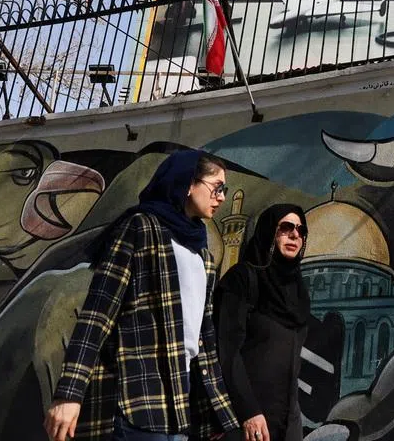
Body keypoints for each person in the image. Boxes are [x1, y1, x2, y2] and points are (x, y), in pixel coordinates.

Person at [43, 150, 238, 441]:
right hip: (137, 396)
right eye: (216, 187)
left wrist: (216, 414)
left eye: (224, 190)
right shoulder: (141, 228)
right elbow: (98, 314)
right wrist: (70, 393)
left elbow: (203, 341)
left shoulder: (203, 256)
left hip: (180, 406)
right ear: (187, 183)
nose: (221, 197)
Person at [215, 205, 311, 441]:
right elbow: (226, 350)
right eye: (286, 227)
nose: (295, 235)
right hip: (248, 422)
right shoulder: (243, 278)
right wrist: (249, 411)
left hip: (287, 421)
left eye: (301, 230)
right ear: (269, 232)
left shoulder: (298, 291)